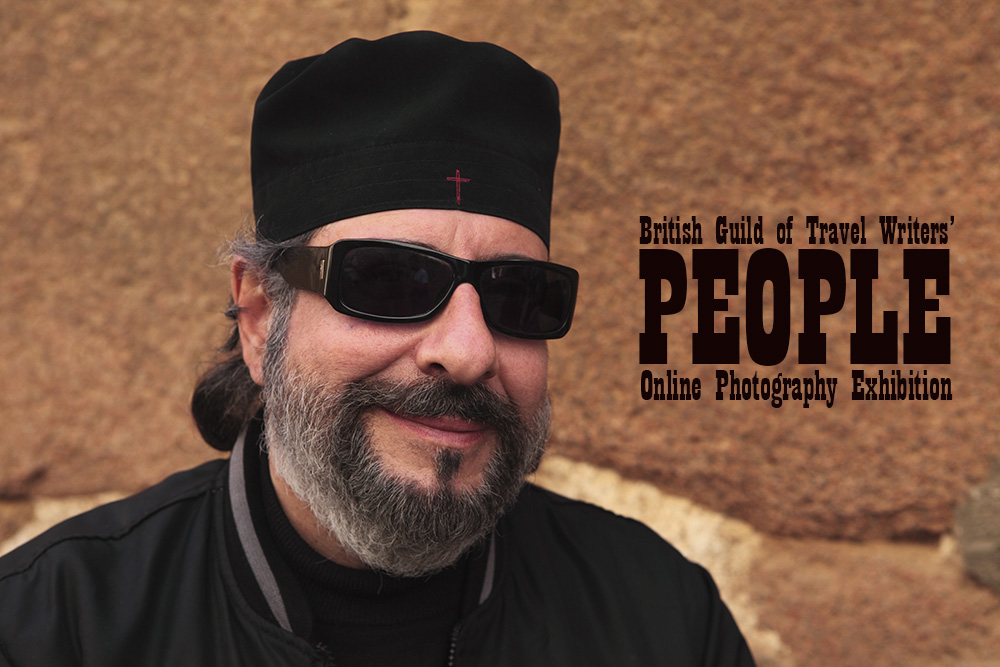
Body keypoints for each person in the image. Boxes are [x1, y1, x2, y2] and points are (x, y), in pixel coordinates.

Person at [0, 32, 754, 666]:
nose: (468, 350)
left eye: (517, 295)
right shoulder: (53, 628)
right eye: (390, 280)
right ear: (261, 316)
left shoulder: (662, 621)